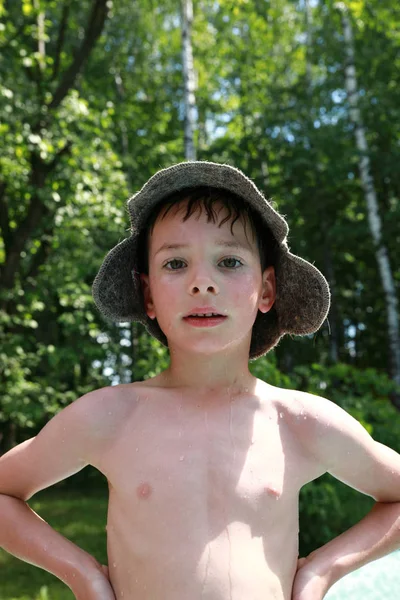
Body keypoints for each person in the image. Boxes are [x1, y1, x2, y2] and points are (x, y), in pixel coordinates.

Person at [0, 161, 400, 600]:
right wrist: (83, 575)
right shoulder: (110, 416)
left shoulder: (299, 421)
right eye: (175, 263)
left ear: (266, 290)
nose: (202, 283)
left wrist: (322, 571)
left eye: (228, 261)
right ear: (148, 294)